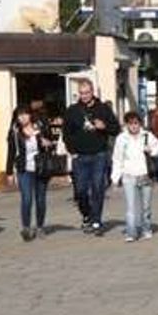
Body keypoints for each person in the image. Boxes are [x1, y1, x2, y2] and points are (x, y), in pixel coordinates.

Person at [63, 78, 119, 235]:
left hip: (98, 155)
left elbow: (116, 129)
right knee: (80, 191)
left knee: (97, 188)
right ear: (78, 94)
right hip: (79, 156)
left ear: (92, 92)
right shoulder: (72, 110)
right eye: (81, 93)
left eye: (87, 93)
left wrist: (104, 126)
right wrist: (71, 150)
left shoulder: (103, 109)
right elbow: (66, 133)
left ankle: (96, 221)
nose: (85, 96)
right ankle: (87, 214)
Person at [110, 111, 158, 243]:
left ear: (140, 123)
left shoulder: (147, 136)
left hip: (145, 175)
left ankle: (146, 228)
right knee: (131, 207)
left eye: (136, 123)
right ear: (127, 124)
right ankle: (131, 232)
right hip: (129, 175)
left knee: (146, 207)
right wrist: (115, 179)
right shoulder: (122, 138)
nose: (134, 126)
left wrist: (151, 150)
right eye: (131, 123)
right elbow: (117, 159)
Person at [4, 105, 53, 241]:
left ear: (30, 115)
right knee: (26, 199)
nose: (23, 117)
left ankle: (40, 227)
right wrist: (9, 172)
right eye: (19, 115)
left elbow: (51, 142)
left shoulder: (40, 127)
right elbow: (11, 152)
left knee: (40, 199)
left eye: (25, 114)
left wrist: (47, 143)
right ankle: (26, 227)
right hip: (24, 170)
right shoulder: (14, 132)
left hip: (41, 168)